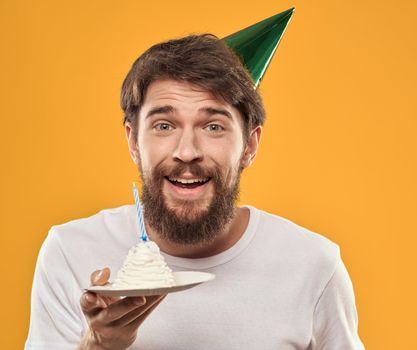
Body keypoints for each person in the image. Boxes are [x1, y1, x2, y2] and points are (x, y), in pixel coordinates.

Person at [25, 12, 365, 350]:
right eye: (164, 125)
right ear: (133, 142)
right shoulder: (70, 252)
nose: (187, 152)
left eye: (213, 126)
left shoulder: (313, 265)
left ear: (249, 145)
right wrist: (97, 346)